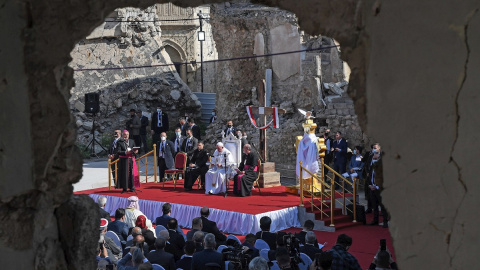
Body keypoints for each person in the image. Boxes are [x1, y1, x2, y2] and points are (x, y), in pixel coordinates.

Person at [367, 143, 388, 228]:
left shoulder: (382, 165)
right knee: (374, 205)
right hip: (372, 187)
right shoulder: (372, 165)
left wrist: (377, 186)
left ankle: (385, 221)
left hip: (379, 188)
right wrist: (370, 185)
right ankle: (375, 220)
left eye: (375, 149)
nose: (374, 156)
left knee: (382, 206)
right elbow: (370, 176)